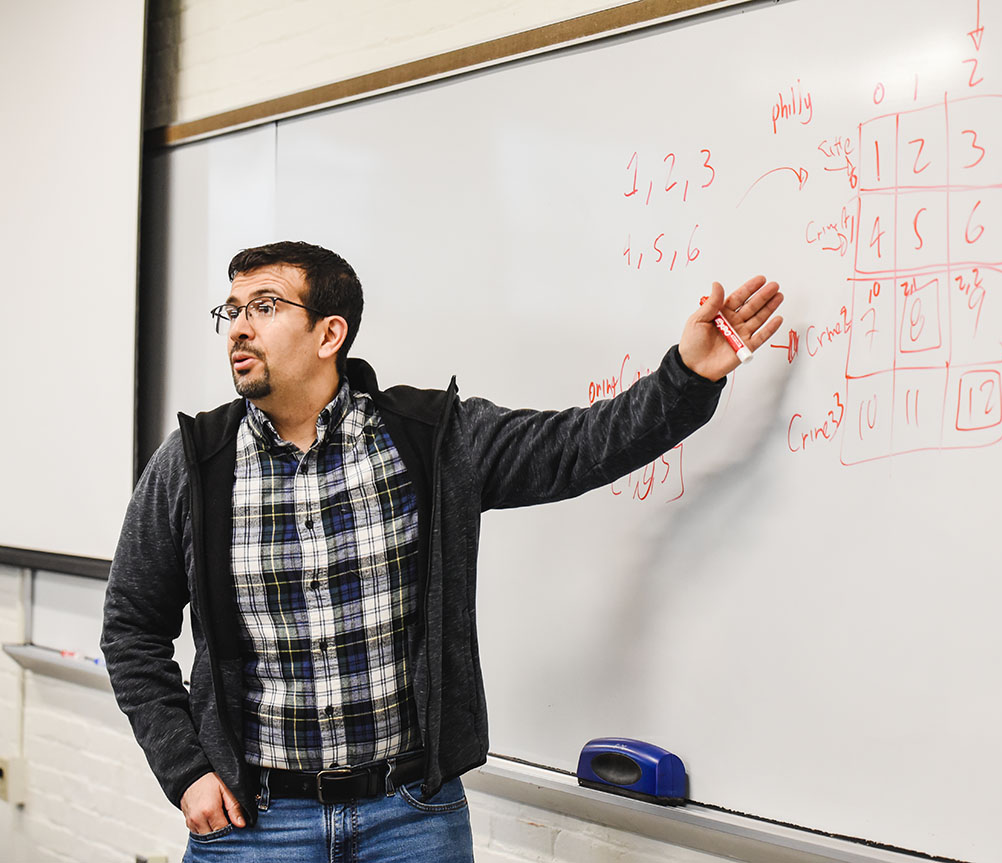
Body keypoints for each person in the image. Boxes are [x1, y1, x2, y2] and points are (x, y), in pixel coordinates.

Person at [102, 241, 784, 862]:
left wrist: (687, 377)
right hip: (256, 822)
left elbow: (578, 446)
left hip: (409, 818)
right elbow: (132, 624)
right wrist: (185, 769)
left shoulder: (429, 439)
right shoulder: (195, 463)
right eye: (231, 308)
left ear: (329, 333)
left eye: (265, 306)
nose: (238, 326)